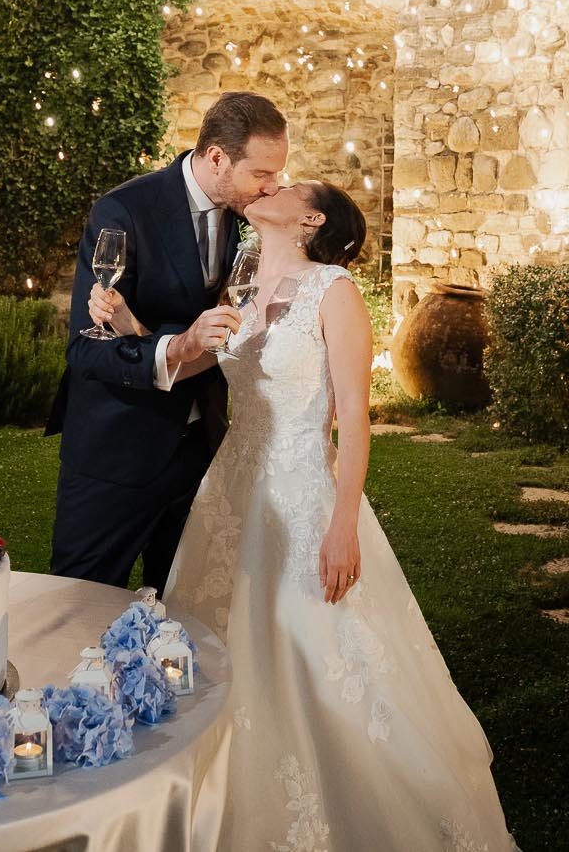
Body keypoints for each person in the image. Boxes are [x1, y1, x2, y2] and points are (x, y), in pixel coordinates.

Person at [90, 180, 517, 851]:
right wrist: (126, 324)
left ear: (311, 219)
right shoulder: (240, 283)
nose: (272, 186)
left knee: (315, 651)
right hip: (231, 495)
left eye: (290, 186)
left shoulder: (334, 291)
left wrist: (342, 525)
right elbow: (196, 361)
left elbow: (355, 419)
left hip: (303, 494)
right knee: (217, 648)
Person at [46, 91, 288, 593]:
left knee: (187, 611)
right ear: (218, 158)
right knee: (81, 606)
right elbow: (86, 349)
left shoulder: (250, 216)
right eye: (262, 173)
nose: (273, 186)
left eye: (278, 173)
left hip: (202, 452)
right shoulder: (123, 211)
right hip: (115, 456)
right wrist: (176, 346)